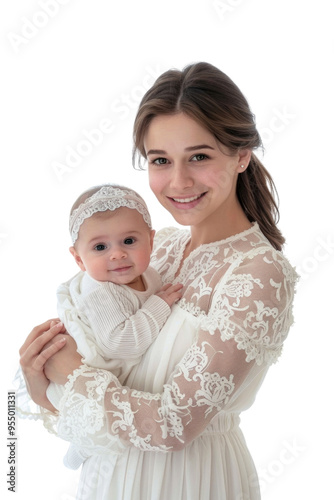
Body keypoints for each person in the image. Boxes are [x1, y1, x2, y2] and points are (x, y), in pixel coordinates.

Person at [19, 61, 298, 500]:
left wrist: (68, 374)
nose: (178, 181)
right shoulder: (157, 248)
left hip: (190, 482)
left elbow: (172, 425)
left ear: (241, 155)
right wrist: (42, 387)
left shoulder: (258, 274)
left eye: (199, 157)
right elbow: (108, 373)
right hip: (108, 479)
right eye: (160, 160)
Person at [17, 183, 183, 469]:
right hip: (70, 377)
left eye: (129, 241)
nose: (117, 254)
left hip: (99, 378)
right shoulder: (101, 291)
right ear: (79, 259)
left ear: (151, 241)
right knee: (93, 419)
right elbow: (119, 342)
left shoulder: (148, 274)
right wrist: (159, 305)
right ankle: (80, 448)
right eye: (100, 247)